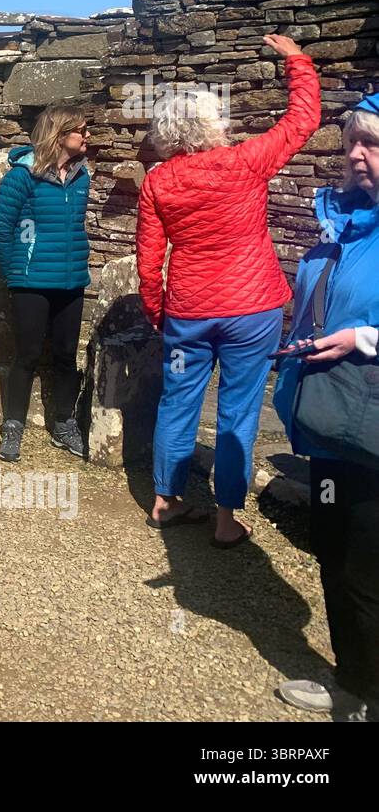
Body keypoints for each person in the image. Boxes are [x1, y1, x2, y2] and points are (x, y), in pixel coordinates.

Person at [137, 35, 320, 544]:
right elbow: (301, 121)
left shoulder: (157, 182)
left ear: (168, 132)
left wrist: (158, 312)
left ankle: (165, 501)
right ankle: (224, 521)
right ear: (212, 124)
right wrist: (297, 62)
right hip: (252, 307)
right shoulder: (244, 161)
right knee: (239, 410)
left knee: (178, 401)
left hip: (189, 311)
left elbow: (149, 262)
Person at [272, 93, 379, 722]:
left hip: (372, 422)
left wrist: (364, 338)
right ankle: (354, 683)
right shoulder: (344, 222)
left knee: (366, 563)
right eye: (351, 145)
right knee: (336, 552)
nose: (357, 157)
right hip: (335, 421)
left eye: (372, 145)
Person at [0, 103, 92, 463]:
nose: (88, 135)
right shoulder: (21, 176)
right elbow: (1, 231)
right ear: (61, 135)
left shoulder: (82, 176)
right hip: (30, 283)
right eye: (81, 130)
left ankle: (64, 424)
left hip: (71, 281)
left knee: (65, 357)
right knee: (27, 356)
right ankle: (13, 424)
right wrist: (16, 273)